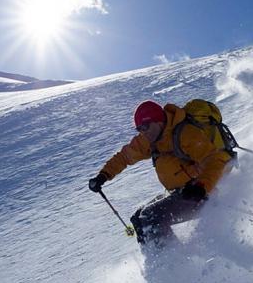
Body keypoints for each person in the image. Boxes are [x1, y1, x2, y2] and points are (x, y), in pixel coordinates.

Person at [88, 100, 234, 247]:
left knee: (151, 216)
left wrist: (202, 186)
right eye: (139, 129)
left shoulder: (185, 133)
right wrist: (104, 175)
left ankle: (172, 262)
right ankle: (160, 260)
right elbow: (125, 157)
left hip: (201, 192)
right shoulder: (149, 139)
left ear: (158, 122)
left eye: (145, 127)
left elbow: (215, 160)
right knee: (138, 219)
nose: (143, 132)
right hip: (180, 192)